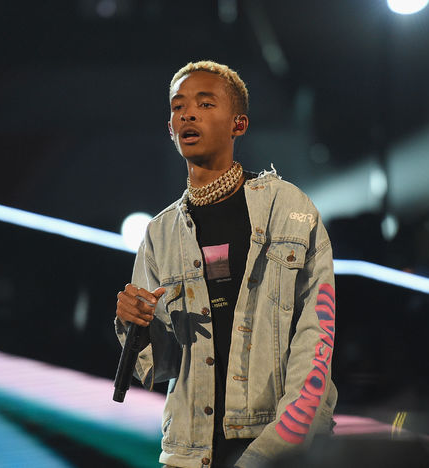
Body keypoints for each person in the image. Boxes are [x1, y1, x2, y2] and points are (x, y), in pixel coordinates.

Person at [115, 61, 337, 468]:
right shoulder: (159, 234)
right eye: (178, 107)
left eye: (204, 104)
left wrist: (277, 448)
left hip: (278, 448)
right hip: (190, 451)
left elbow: (315, 338)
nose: (188, 114)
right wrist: (138, 326)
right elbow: (159, 367)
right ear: (170, 128)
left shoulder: (288, 208)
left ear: (239, 124)